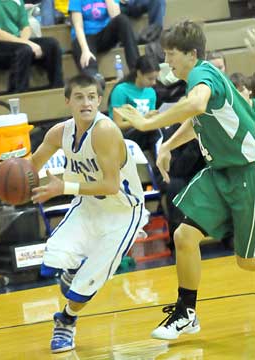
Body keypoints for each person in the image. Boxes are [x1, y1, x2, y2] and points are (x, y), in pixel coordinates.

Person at [115, 20, 255, 340]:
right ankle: (186, 312)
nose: (167, 62)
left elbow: (195, 105)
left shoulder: (202, 75)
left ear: (192, 54)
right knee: (184, 237)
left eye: (171, 54)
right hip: (220, 173)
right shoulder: (197, 78)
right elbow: (197, 119)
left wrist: (150, 125)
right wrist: (166, 144)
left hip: (248, 172)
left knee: (247, 262)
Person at [29, 74, 147, 353]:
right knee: (52, 260)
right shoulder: (59, 132)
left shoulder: (105, 131)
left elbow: (110, 184)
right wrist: (4, 173)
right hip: (88, 205)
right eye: (80, 97)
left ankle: (66, 320)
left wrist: (63, 187)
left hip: (122, 212)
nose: (86, 103)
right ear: (68, 101)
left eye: (92, 97)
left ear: (99, 100)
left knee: (86, 284)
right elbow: (30, 167)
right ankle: (71, 269)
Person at [0, 0, 64, 94]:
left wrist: (24, 42)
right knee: (23, 50)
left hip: (16, 42)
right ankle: (18, 96)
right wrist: (25, 44)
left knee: (52, 45)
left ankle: (57, 90)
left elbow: (25, 27)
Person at [109, 54, 160, 161]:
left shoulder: (151, 92)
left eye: (155, 79)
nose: (154, 82)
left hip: (145, 133)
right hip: (125, 136)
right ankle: (161, 170)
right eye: (150, 78)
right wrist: (142, 120)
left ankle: (163, 167)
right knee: (153, 132)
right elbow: (118, 124)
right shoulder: (121, 90)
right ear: (139, 73)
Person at [69, 0, 139, 77]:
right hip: (85, 37)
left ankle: (136, 69)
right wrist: (85, 50)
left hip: (104, 34)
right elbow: (78, 27)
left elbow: (115, 16)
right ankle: (95, 79)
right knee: (88, 61)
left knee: (123, 20)